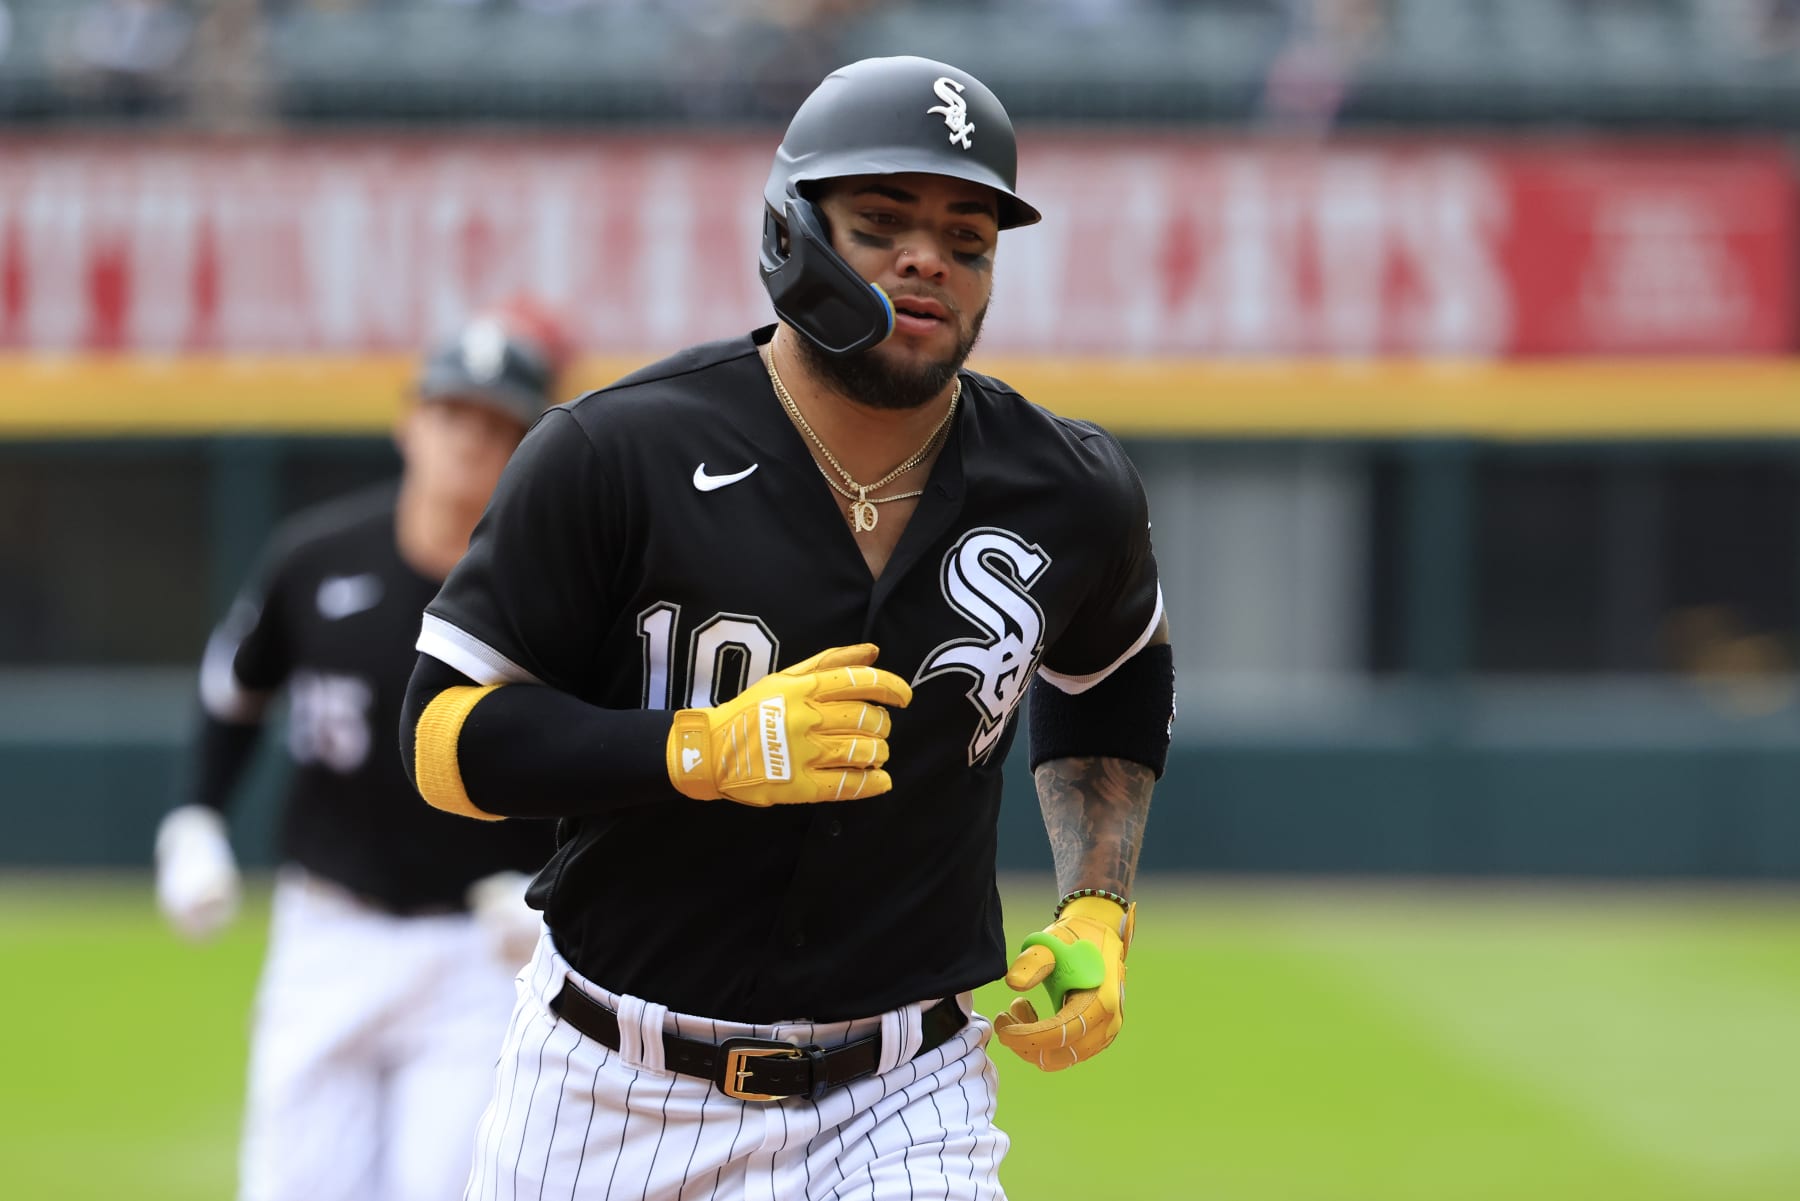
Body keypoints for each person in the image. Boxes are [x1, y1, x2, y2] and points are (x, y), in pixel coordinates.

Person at [401, 56, 1173, 1200]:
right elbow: (441, 742)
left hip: (904, 1095)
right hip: (609, 1088)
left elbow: (1114, 678)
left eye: (968, 240)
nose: (928, 259)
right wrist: (706, 748)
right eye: (882, 223)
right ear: (790, 232)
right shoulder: (616, 453)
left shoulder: (1066, 486)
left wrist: (1098, 906)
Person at [154, 301, 569, 1201]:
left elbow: (596, 756)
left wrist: (558, 894)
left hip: (481, 949)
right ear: (409, 419)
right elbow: (233, 694)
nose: (468, 440)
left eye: (497, 423)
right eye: (452, 411)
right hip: (330, 930)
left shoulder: (559, 593)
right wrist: (195, 817)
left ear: (532, 446)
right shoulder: (314, 560)